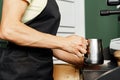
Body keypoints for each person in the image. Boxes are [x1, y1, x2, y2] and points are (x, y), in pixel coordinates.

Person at [0, 0, 88, 80]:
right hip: (19, 71)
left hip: (43, 71)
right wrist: (64, 42)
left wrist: (85, 61)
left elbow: (44, 43)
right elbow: (9, 29)